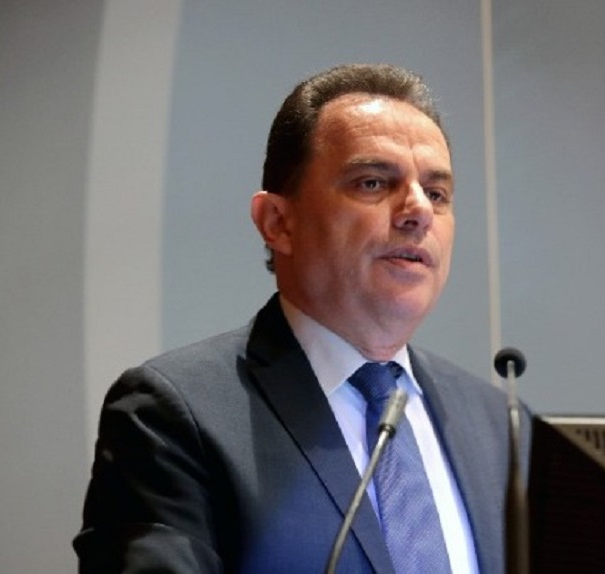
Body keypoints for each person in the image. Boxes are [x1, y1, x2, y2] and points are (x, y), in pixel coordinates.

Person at [75, 63, 528, 573]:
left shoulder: (501, 427)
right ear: (278, 223)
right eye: (373, 182)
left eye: (437, 193)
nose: (418, 210)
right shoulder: (174, 416)